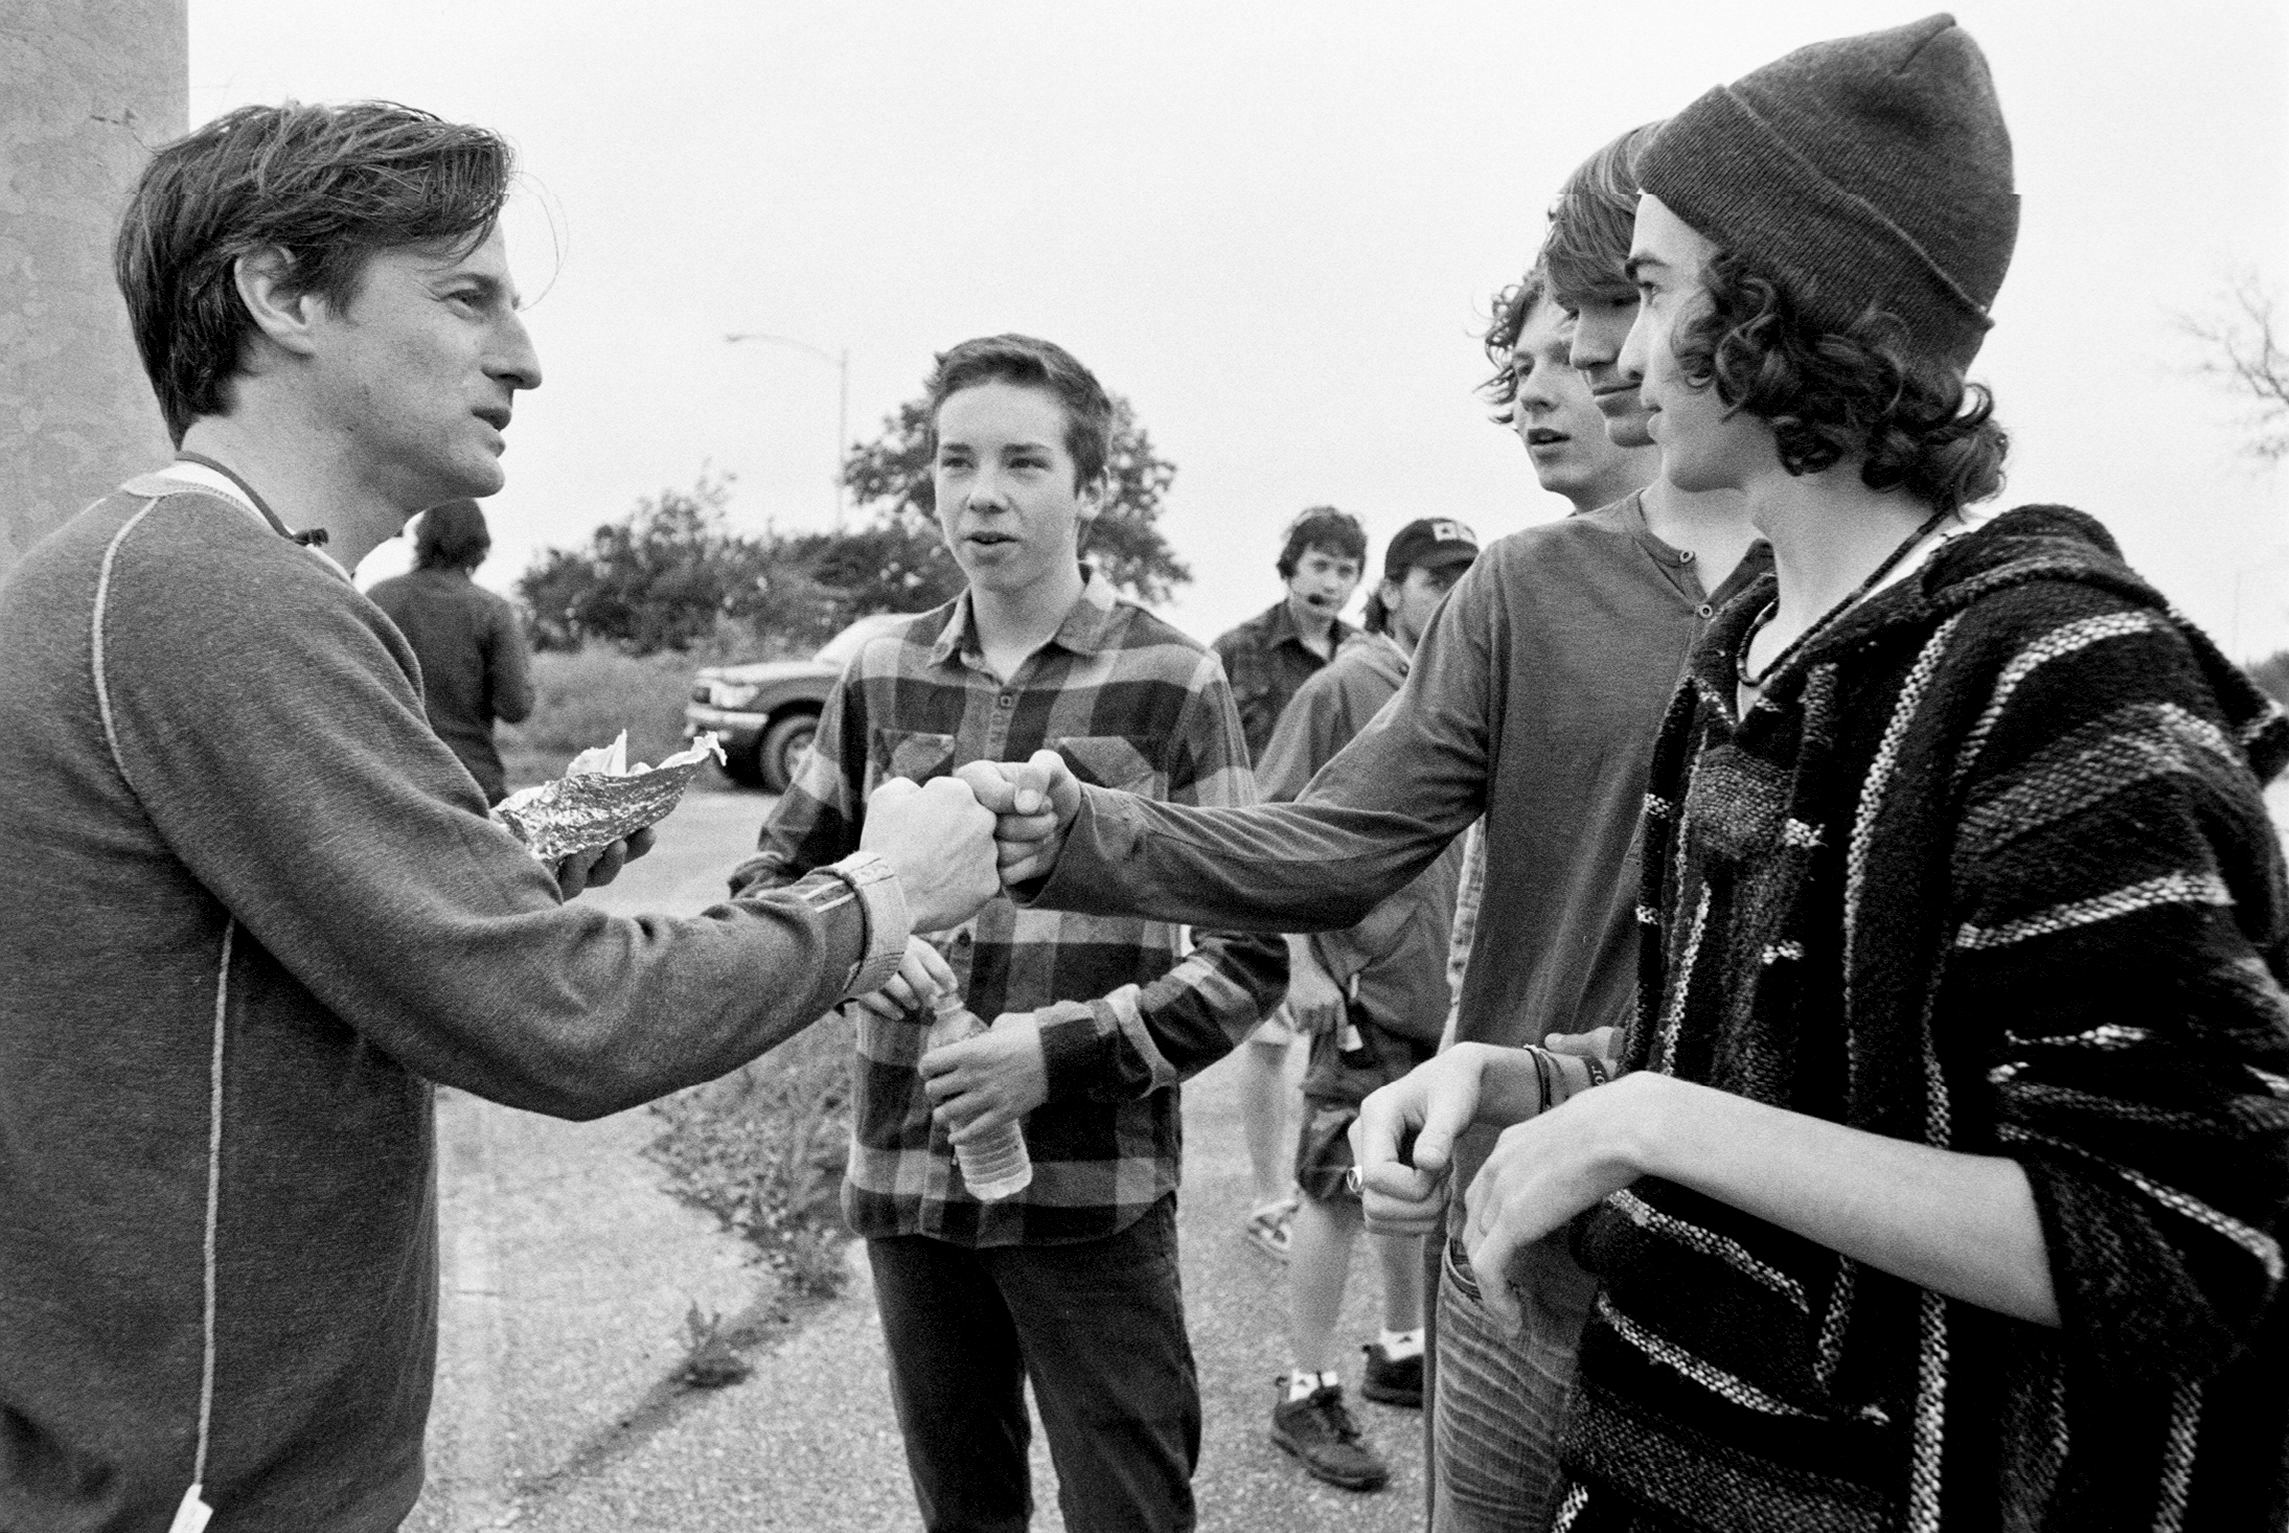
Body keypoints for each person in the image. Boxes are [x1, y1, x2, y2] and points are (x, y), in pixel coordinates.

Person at [0, 101, 999, 1533]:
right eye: (467, 297)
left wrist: (589, 813)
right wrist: (880, 892)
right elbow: (554, 1011)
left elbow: (338, 917)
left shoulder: (183, 578)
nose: (525, 358)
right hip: (207, 1491)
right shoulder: (205, 593)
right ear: (280, 295)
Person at [1361, 17, 2289, 1528]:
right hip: (1676, 1458)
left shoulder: (2054, 683)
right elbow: (1767, 1073)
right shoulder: (1750, 651)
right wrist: (1532, 1084)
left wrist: (1643, 1124)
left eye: (1653, 290)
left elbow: (2183, 1234)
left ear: (1777, 306)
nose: (1615, 352)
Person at [960, 130, 1769, 1531]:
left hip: (1741, 1250)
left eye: (1594, 334)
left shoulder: (1840, 607)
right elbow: (1329, 841)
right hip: (1510, 1228)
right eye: (1544, 353)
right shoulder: (1520, 590)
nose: (1575, 375)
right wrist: (1076, 830)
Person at [730, 333, 1286, 1533]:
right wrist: (848, 959)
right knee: (964, 1512)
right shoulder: (880, 673)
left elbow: (1252, 956)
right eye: (954, 461)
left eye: (1023, 463)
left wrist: (1057, 1052)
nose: (981, 493)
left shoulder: (1173, 679)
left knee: (1129, 1510)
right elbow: (774, 878)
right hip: (909, 1176)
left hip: (1091, 1191)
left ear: (1091, 484)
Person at [1262, 518, 1481, 1494]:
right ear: (1389, 591)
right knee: (1331, 1188)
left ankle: (1400, 1348)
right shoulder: (1343, 685)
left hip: (1443, 996)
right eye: (1435, 579)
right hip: (1359, 988)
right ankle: (1304, 1386)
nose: (1452, 593)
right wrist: (1301, 964)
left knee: (1412, 1184)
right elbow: (1270, 826)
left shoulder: (1465, 685)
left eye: (1467, 579)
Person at [1213, 505, 1367, 1262]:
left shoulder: (1364, 657)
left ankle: (1329, 1188)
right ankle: (1269, 1194)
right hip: (1256, 857)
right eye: (1320, 565)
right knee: (1269, 1032)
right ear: (1290, 568)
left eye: (1345, 570)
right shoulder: (1237, 651)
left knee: (1337, 1031)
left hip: (1335, 866)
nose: (1331, 582)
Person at [368, 497, 535, 803]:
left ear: (423, 538)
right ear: (480, 545)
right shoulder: (491, 610)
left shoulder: (378, 598)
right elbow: (515, 707)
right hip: (471, 785)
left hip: (390, 783)